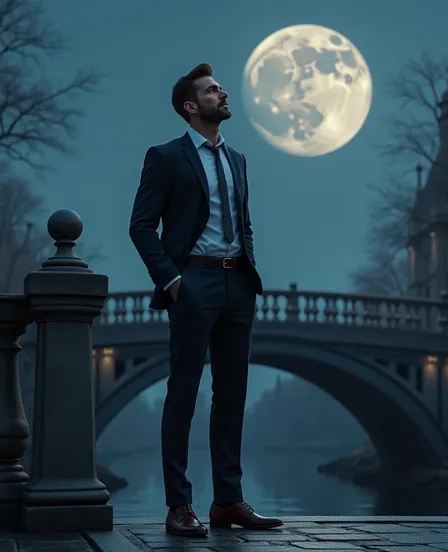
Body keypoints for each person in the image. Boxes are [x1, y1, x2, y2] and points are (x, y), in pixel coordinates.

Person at [129, 63, 283, 537]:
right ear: (191, 107)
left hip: (238, 285)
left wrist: (248, 263)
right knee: (182, 393)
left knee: (231, 394)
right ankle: (179, 506)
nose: (223, 93)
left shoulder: (238, 159)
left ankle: (228, 502)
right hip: (192, 283)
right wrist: (173, 281)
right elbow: (141, 226)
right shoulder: (166, 156)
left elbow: (244, 221)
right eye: (212, 90)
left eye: (221, 87)